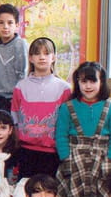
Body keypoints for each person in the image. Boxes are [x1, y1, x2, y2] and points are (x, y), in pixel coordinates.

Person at [56, 62, 111, 197]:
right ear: (77, 83)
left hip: (102, 163)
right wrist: (65, 160)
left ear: (102, 82)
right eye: (83, 81)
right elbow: (61, 136)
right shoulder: (67, 107)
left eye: (93, 81)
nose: (88, 86)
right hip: (75, 162)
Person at [11, 37, 71, 178]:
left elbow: (68, 122)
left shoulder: (64, 88)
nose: (42, 57)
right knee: (25, 189)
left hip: (53, 152)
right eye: (37, 53)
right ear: (30, 58)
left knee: (48, 189)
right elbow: (14, 117)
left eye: (46, 53)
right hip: (26, 151)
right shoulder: (21, 86)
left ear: (54, 57)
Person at [0, 4, 28, 114]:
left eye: (10, 23)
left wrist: (19, 97)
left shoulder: (20, 44)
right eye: (1, 23)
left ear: (17, 25)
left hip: (13, 98)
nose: (5, 27)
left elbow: (23, 73)